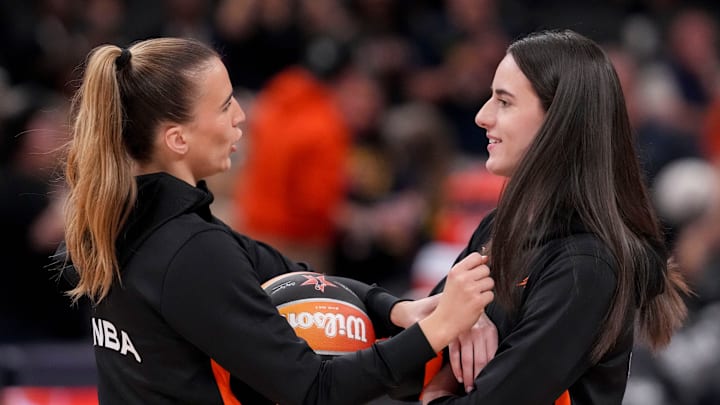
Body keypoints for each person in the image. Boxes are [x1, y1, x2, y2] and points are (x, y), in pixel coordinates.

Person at [53, 36, 495, 404]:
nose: (241, 116)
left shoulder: (129, 220)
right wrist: (437, 329)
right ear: (177, 138)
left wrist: (396, 308)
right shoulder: (189, 250)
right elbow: (314, 389)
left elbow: (291, 274)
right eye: (225, 105)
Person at [420, 29, 690, 404]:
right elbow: (408, 358)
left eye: (504, 102)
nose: (482, 116)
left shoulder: (586, 267)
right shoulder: (500, 225)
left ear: (558, 121)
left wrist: (433, 392)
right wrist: (463, 318)